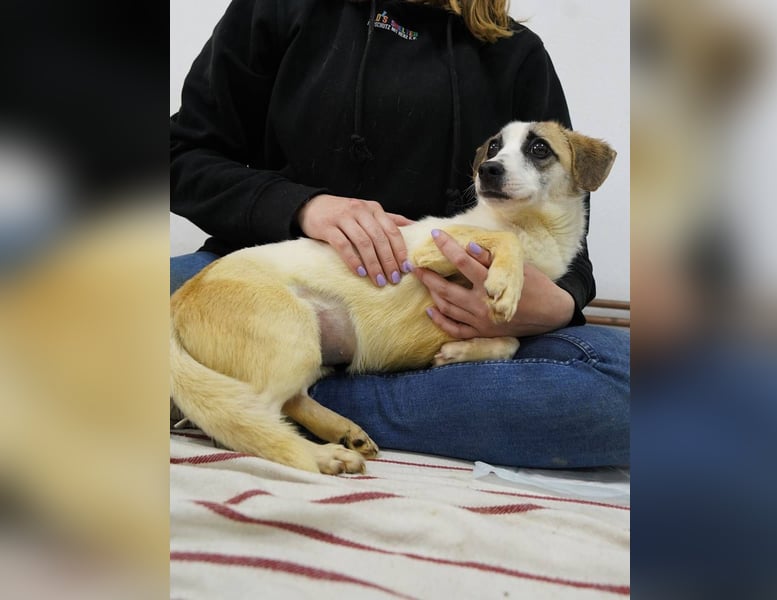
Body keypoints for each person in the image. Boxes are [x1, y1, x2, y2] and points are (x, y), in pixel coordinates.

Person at [170, 0, 629, 468]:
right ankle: (263, 388)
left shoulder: (518, 55)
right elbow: (178, 156)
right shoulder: (279, 8)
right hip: (266, 276)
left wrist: (554, 306)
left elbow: (570, 235)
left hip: (434, 322)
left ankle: (254, 395)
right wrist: (301, 207)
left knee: (627, 384)